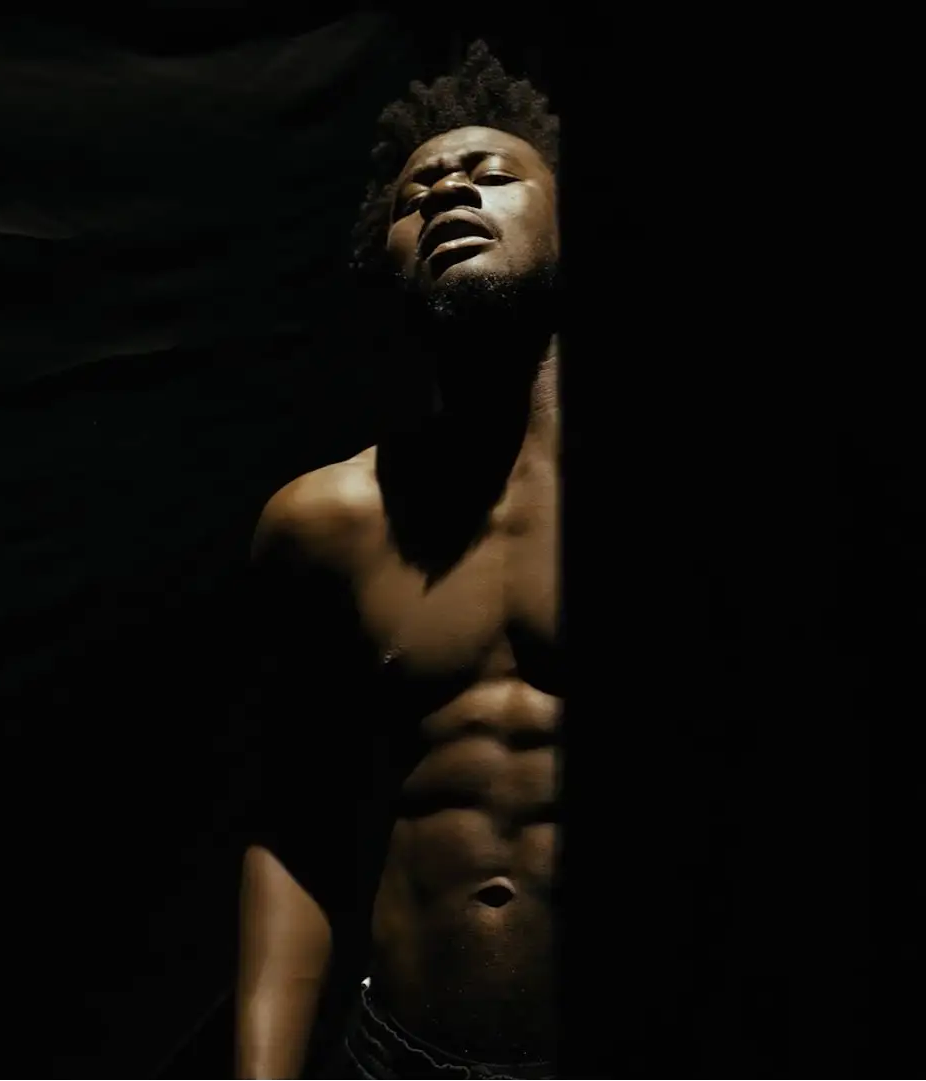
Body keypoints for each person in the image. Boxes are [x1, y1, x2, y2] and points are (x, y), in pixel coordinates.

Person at [235, 41, 562, 1080]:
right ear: (382, 256)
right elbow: (294, 829)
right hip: (399, 1057)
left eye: (492, 173)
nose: (452, 190)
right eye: (417, 194)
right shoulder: (323, 524)